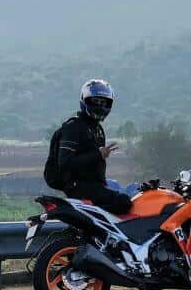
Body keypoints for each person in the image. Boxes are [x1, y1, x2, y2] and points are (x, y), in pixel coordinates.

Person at [48, 79, 133, 216]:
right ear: (84, 100)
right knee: (123, 202)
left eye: (104, 102)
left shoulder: (97, 130)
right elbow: (64, 163)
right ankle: (91, 217)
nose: (100, 106)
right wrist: (98, 155)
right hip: (77, 187)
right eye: (95, 101)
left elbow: (96, 169)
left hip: (93, 187)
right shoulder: (74, 127)